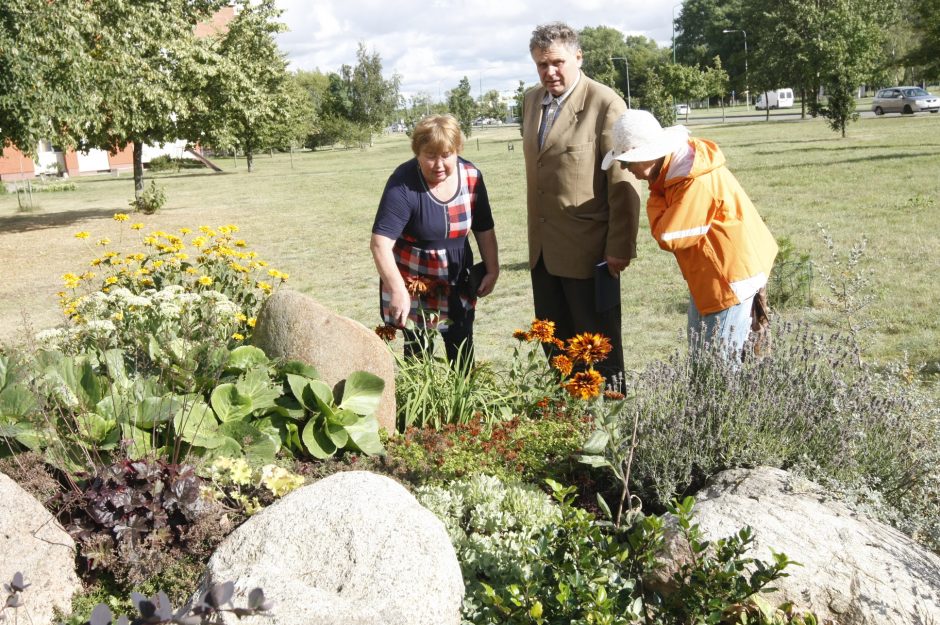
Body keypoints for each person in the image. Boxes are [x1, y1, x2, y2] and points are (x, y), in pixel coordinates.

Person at [601, 109, 778, 358]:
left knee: (717, 369)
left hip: (728, 282)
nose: (625, 168)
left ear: (651, 156)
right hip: (715, 278)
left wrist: (655, 197)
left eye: (628, 161)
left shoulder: (693, 181)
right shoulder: (678, 174)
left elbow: (670, 236)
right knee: (706, 362)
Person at [523, 21, 641, 389]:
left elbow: (623, 180)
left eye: (557, 62)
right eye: (541, 64)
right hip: (543, 254)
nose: (549, 71)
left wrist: (620, 247)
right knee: (556, 347)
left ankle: (610, 429)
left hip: (591, 255)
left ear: (578, 56)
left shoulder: (605, 103)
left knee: (599, 350)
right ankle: (568, 422)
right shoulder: (531, 101)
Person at [370, 114, 499, 364]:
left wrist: (492, 269)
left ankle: (463, 402)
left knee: (462, 352)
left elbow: (484, 227)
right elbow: (380, 244)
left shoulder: (472, 177)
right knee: (418, 358)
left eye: (446, 155)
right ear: (417, 153)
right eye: (430, 156)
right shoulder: (402, 183)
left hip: (457, 279)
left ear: (457, 151)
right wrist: (397, 289)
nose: (438, 164)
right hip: (414, 283)